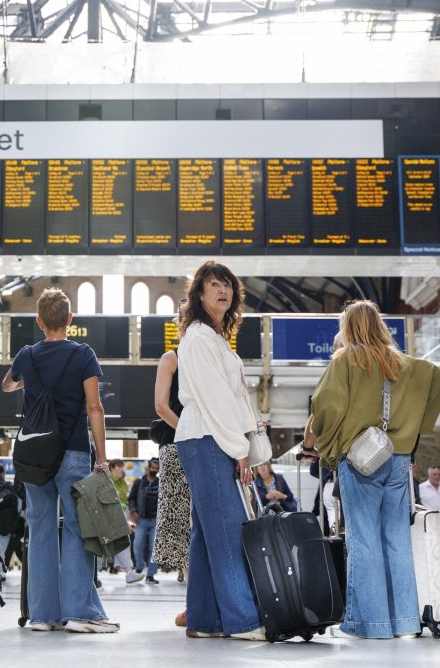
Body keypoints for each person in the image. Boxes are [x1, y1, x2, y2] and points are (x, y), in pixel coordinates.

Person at [306, 299, 440, 639]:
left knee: (364, 540)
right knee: (397, 540)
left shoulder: (346, 361)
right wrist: (414, 429)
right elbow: (439, 380)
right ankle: (404, 623)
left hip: (360, 459)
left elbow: (326, 406)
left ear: (348, 327)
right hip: (398, 459)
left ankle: (368, 623)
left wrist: (327, 445)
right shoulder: (408, 365)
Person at [1, 287, 118, 633]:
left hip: (34, 456)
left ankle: (43, 615)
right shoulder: (83, 354)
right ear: (69, 319)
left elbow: (8, 385)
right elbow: (95, 407)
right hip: (73, 453)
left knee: (40, 530)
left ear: (39, 321)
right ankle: (80, 611)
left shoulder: (27, 354)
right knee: (79, 528)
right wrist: (103, 457)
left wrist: (29, 381)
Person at [174, 260, 267, 641]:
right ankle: (243, 620)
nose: (222, 290)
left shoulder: (212, 337)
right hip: (207, 438)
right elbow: (216, 399)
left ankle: (205, 618)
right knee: (228, 529)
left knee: (208, 533)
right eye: (213, 284)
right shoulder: (198, 337)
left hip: (206, 438)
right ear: (199, 294)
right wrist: (239, 448)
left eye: (227, 284)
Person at [151, 349, 192, 593]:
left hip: (205, 443)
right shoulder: (172, 358)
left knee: (197, 522)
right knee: (179, 522)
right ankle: (193, 598)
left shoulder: (209, 356)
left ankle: (200, 599)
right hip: (178, 444)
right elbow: (161, 406)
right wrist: (188, 430)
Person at [128, 457, 161, 584]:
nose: (154, 470)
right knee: (137, 545)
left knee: (154, 548)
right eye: (152, 467)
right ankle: (139, 566)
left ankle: (151, 574)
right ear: (148, 467)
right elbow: (132, 498)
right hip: (141, 519)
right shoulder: (139, 483)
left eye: (156, 468)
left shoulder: (161, 483)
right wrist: (134, 511)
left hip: (156, 520)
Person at [105, 459, 135, 577]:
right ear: (111, 468)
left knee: (123, 542)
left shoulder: (122, 482)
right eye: (118, 466)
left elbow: (124, 502)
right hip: (107, 516)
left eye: (122, 466)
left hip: (120, 515)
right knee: (101, 546)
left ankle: (129, 572)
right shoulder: (107, 480)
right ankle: (93, 575)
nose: (121, 469)